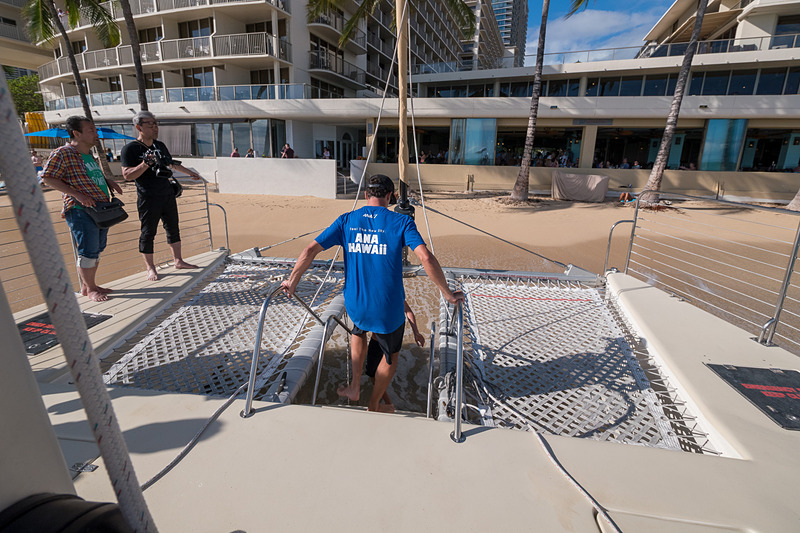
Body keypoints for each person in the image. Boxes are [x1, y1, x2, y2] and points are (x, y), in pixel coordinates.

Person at [281, 174, 464, 412]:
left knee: (358, 332)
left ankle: (355, 386)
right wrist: (447, 293)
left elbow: (309, 250)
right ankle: (374, 403)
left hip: (356, 303)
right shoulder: (402, 222)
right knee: (390, 356)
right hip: (387, 308)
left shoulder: (346, 220)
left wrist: (293, 281)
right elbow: (426, 258)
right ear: (390, 197)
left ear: (366, 195)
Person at [40, 115, 124, 302]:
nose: (96, 134)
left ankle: (88, 286)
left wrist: (107, 181)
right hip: (80, 209)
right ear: (76, 133)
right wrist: (76, 194)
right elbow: (47, 178)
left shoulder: (88, 154)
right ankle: (91, 289)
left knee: (97, 247)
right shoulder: (63, 152)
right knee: (88, 250)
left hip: (100, 209)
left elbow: (89, 176)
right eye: (91, 130)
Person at [120, 111, 202, 281]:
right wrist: (145, 164)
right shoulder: (130, 149)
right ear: (139, 127)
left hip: (167, 193)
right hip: (148, 197)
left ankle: (178, 261)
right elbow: (127, 175)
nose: (155, 127)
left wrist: (190, 173)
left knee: (173, 228)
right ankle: (150, 268)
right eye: (150, 124)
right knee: (148, 232)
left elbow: (171, 164)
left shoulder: (160, 145)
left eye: (155, 123)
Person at [364, 301, 425, 413]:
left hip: (390, 341)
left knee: (382, 370)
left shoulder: (394, 296)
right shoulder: (376, 296)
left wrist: (416, 333)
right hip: (376, 341)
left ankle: (384, 404)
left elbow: (408, 311)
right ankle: (388, 404)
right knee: (372, 375)